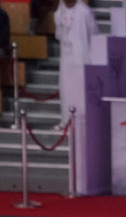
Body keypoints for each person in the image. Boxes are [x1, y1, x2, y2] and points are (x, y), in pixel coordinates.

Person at [53, 0, 97, 129]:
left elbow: (93, 33)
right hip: (66, 58)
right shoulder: (58, 13)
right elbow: (59, 34)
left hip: (82, 57)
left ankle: (83, 121)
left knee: (80, 90)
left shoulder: (84, 12)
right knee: (66, 89)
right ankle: (66, 120)